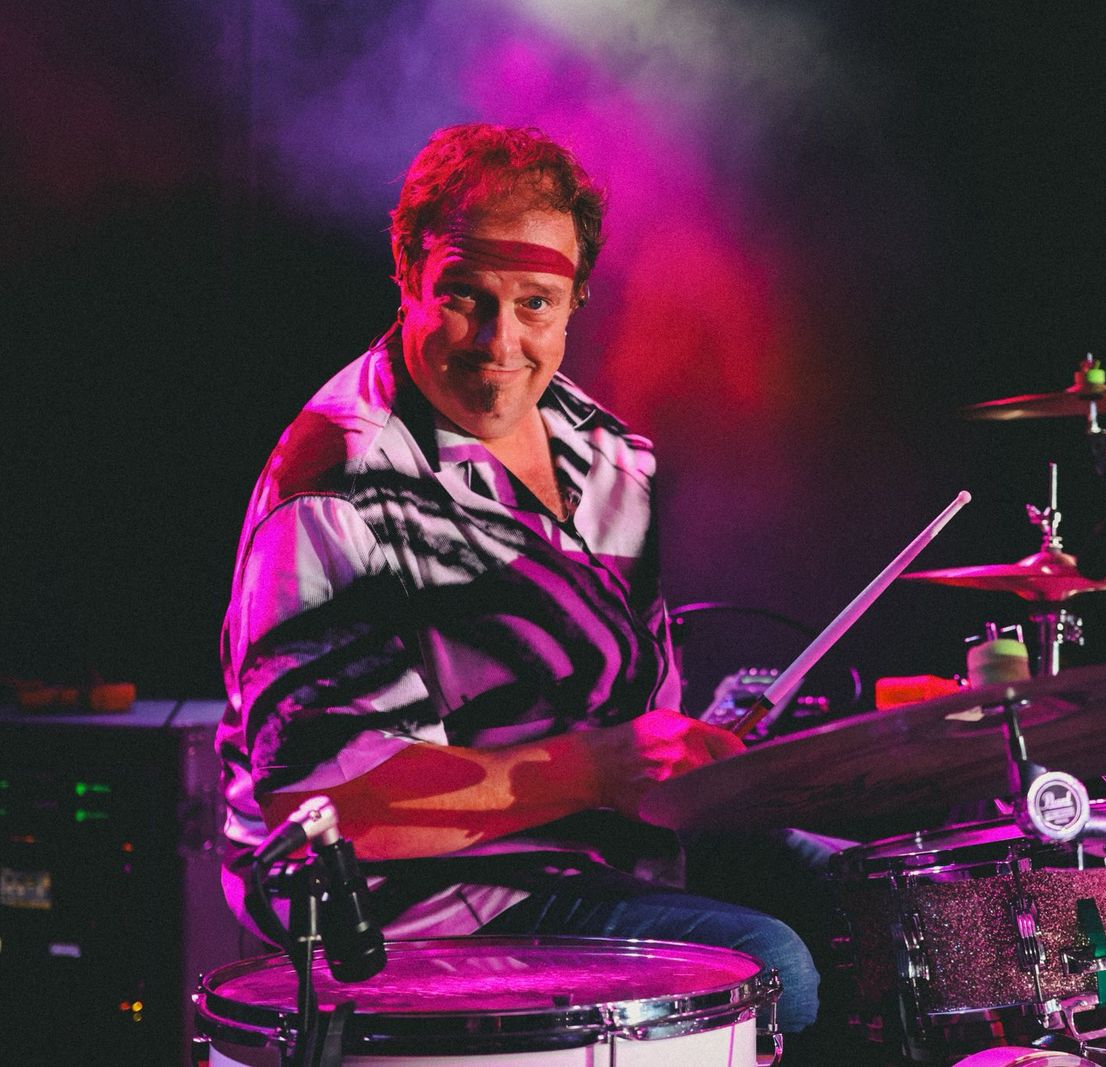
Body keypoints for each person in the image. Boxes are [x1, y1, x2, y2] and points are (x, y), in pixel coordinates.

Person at [214, 123, 824, 1035]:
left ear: (576, 297)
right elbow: (325, 806)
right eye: (465, 296)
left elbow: (634, 725)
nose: (501, 342)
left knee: (869, 895)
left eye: (535, 303)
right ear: (407, 276)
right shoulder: (336, 488)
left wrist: (705, 757)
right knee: (777, 966)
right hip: (419, 911)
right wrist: (595, 770)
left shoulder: (610, 454)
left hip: (597, 864)